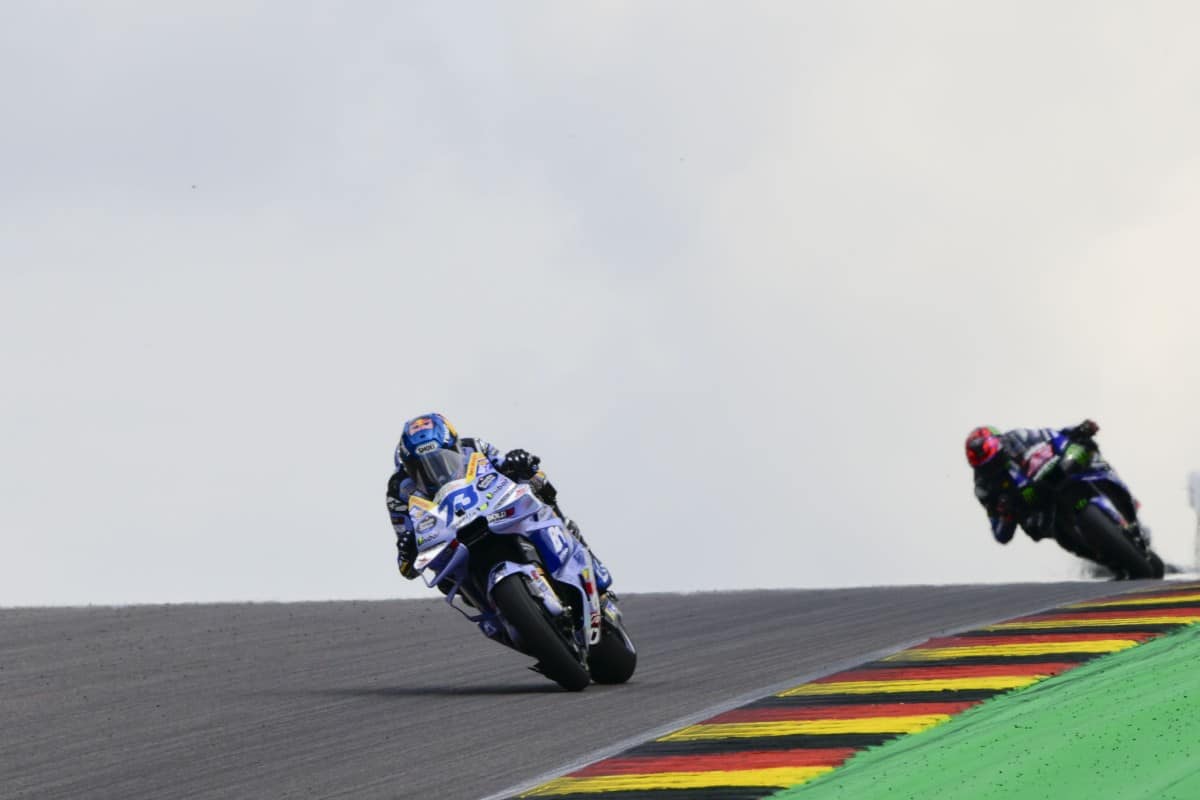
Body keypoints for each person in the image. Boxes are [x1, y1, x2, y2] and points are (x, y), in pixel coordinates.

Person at [387, 412, 611, 590]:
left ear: (455, 447)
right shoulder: (399, 491)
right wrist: (407, 549)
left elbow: (520, 472)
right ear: (407, 468)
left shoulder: (474, 447)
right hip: (453, 544)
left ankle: (575, 542)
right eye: (420, 469)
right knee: (445, 582)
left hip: (494, 512)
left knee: (538, 491)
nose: (435, 473)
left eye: (443, 460)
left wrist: (522, 463)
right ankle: (497, 613)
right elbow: (407, 566)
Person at [964, 419, 1104, 556]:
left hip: (1052, 472)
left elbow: (1050, 435)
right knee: (1046, 530)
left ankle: (1111, 491)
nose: (993, 467)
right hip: (1038, 509)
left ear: (999, 445)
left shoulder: (1016, 437)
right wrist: (1006, 514)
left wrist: (1078, 430)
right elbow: (1000, 535)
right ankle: (1106, 560)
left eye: (995, 460)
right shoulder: (984, 487)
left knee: (1085, 451)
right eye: (987, 466)